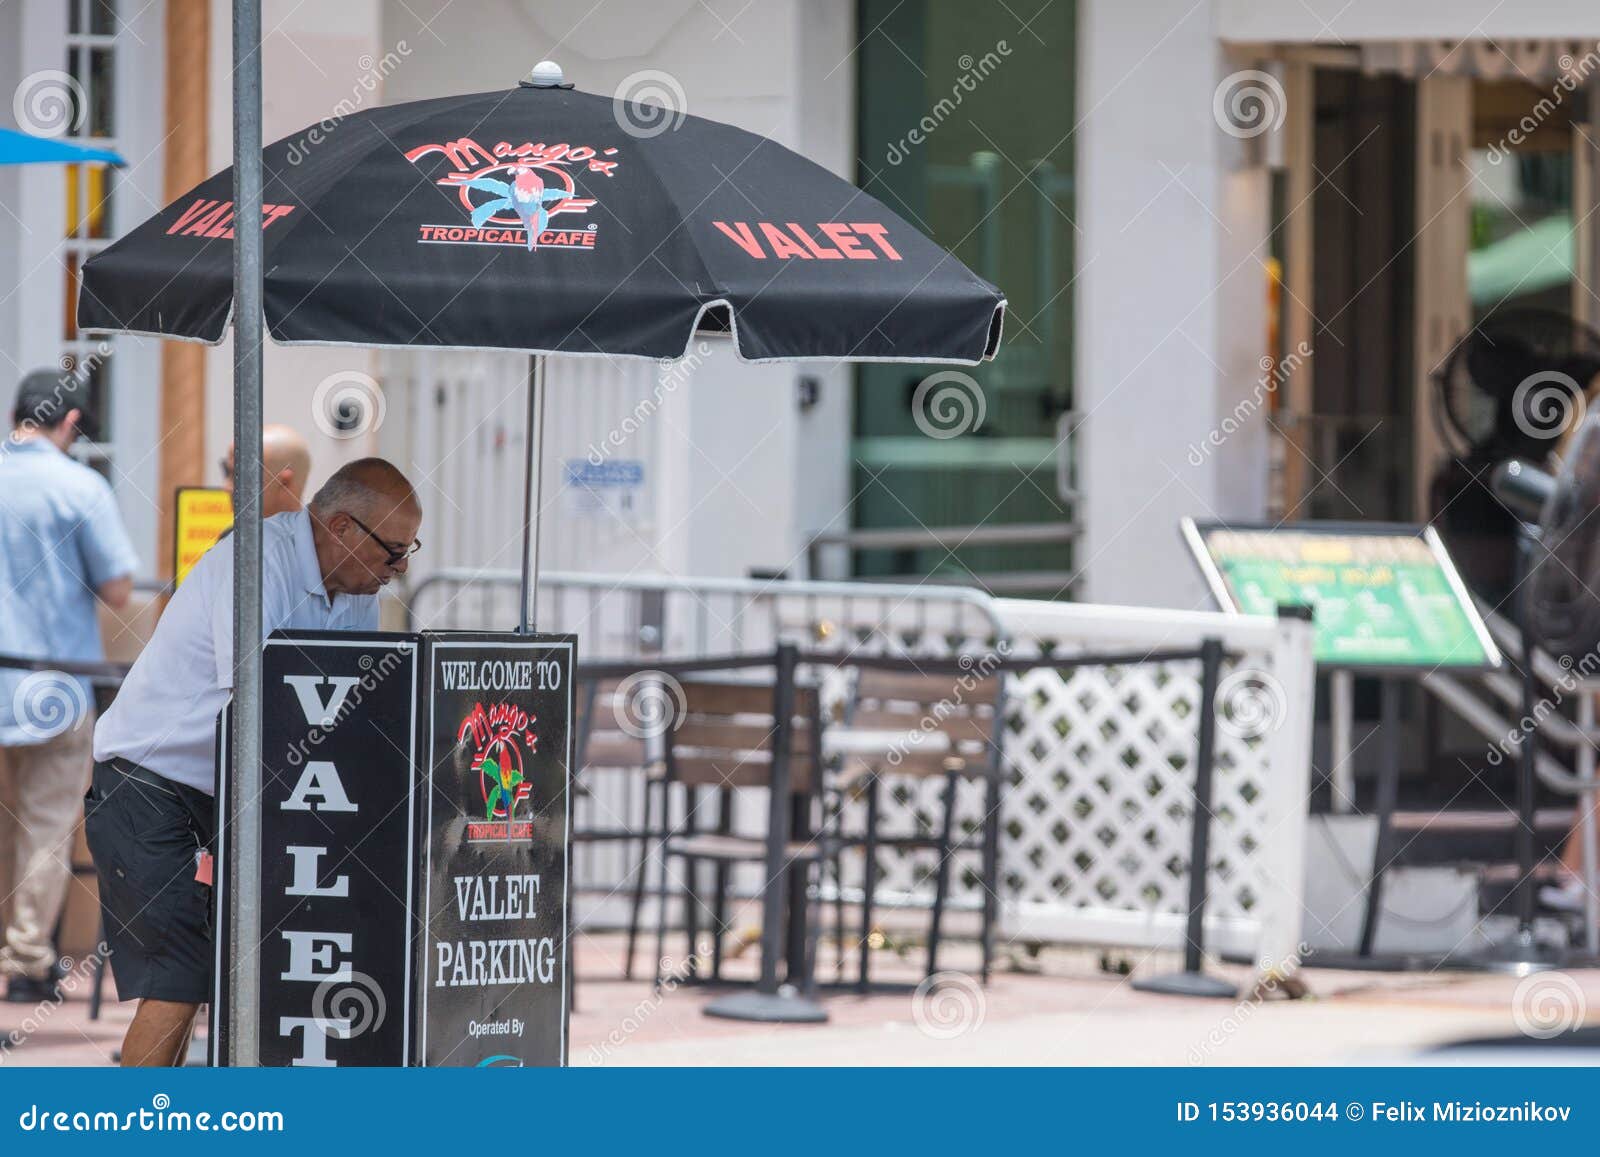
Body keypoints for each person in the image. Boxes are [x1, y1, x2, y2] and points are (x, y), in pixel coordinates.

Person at [88, 458, 422, 1065]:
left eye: (408, 552)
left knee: (262, 968)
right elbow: (258, 702)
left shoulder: (354, 588)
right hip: (150, 781)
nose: (399, 570)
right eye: (393, 552)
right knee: (179, 982)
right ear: (342, 527)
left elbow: (348, 716)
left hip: (236, 788)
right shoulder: (256, 565)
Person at [0, 369, 138, 1002]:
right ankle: (27, 962)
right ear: (72, 422)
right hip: (53, 686)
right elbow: (117, 590)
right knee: (45, 825)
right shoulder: (81, 488)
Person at [221, 424, 311, 517]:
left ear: (284, 482)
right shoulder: (232, 531)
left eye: (242, 477)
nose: (227, 488)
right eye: (227, 472)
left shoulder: (314, 531)